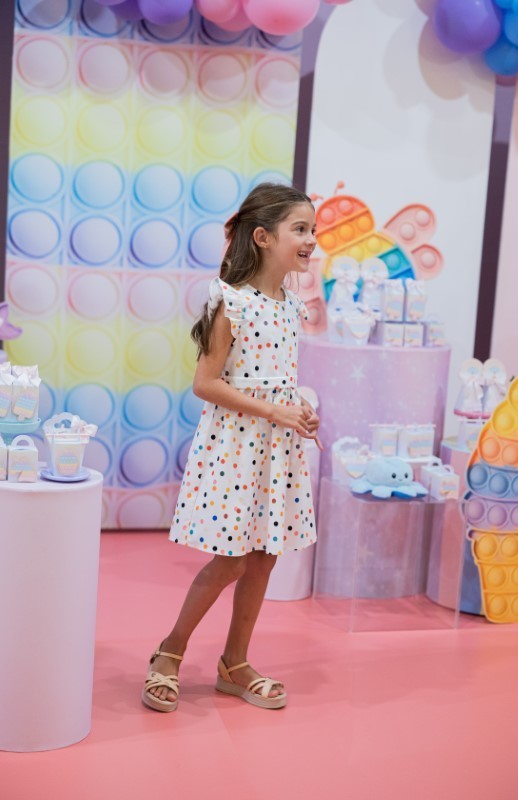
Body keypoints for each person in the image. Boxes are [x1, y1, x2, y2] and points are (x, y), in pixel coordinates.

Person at [142, 182, 321, 713]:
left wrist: (297, 408)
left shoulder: (292, 307)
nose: (311, 239)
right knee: (231, 561)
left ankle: (234, 664)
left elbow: (276, 381)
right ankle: (169, 652)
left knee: (264, 559)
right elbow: (206, 383)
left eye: (313, 229)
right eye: (300, 229)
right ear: (263, 237)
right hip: (237, 450)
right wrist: (274, 410)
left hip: (276, 450)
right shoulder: (232, 301)